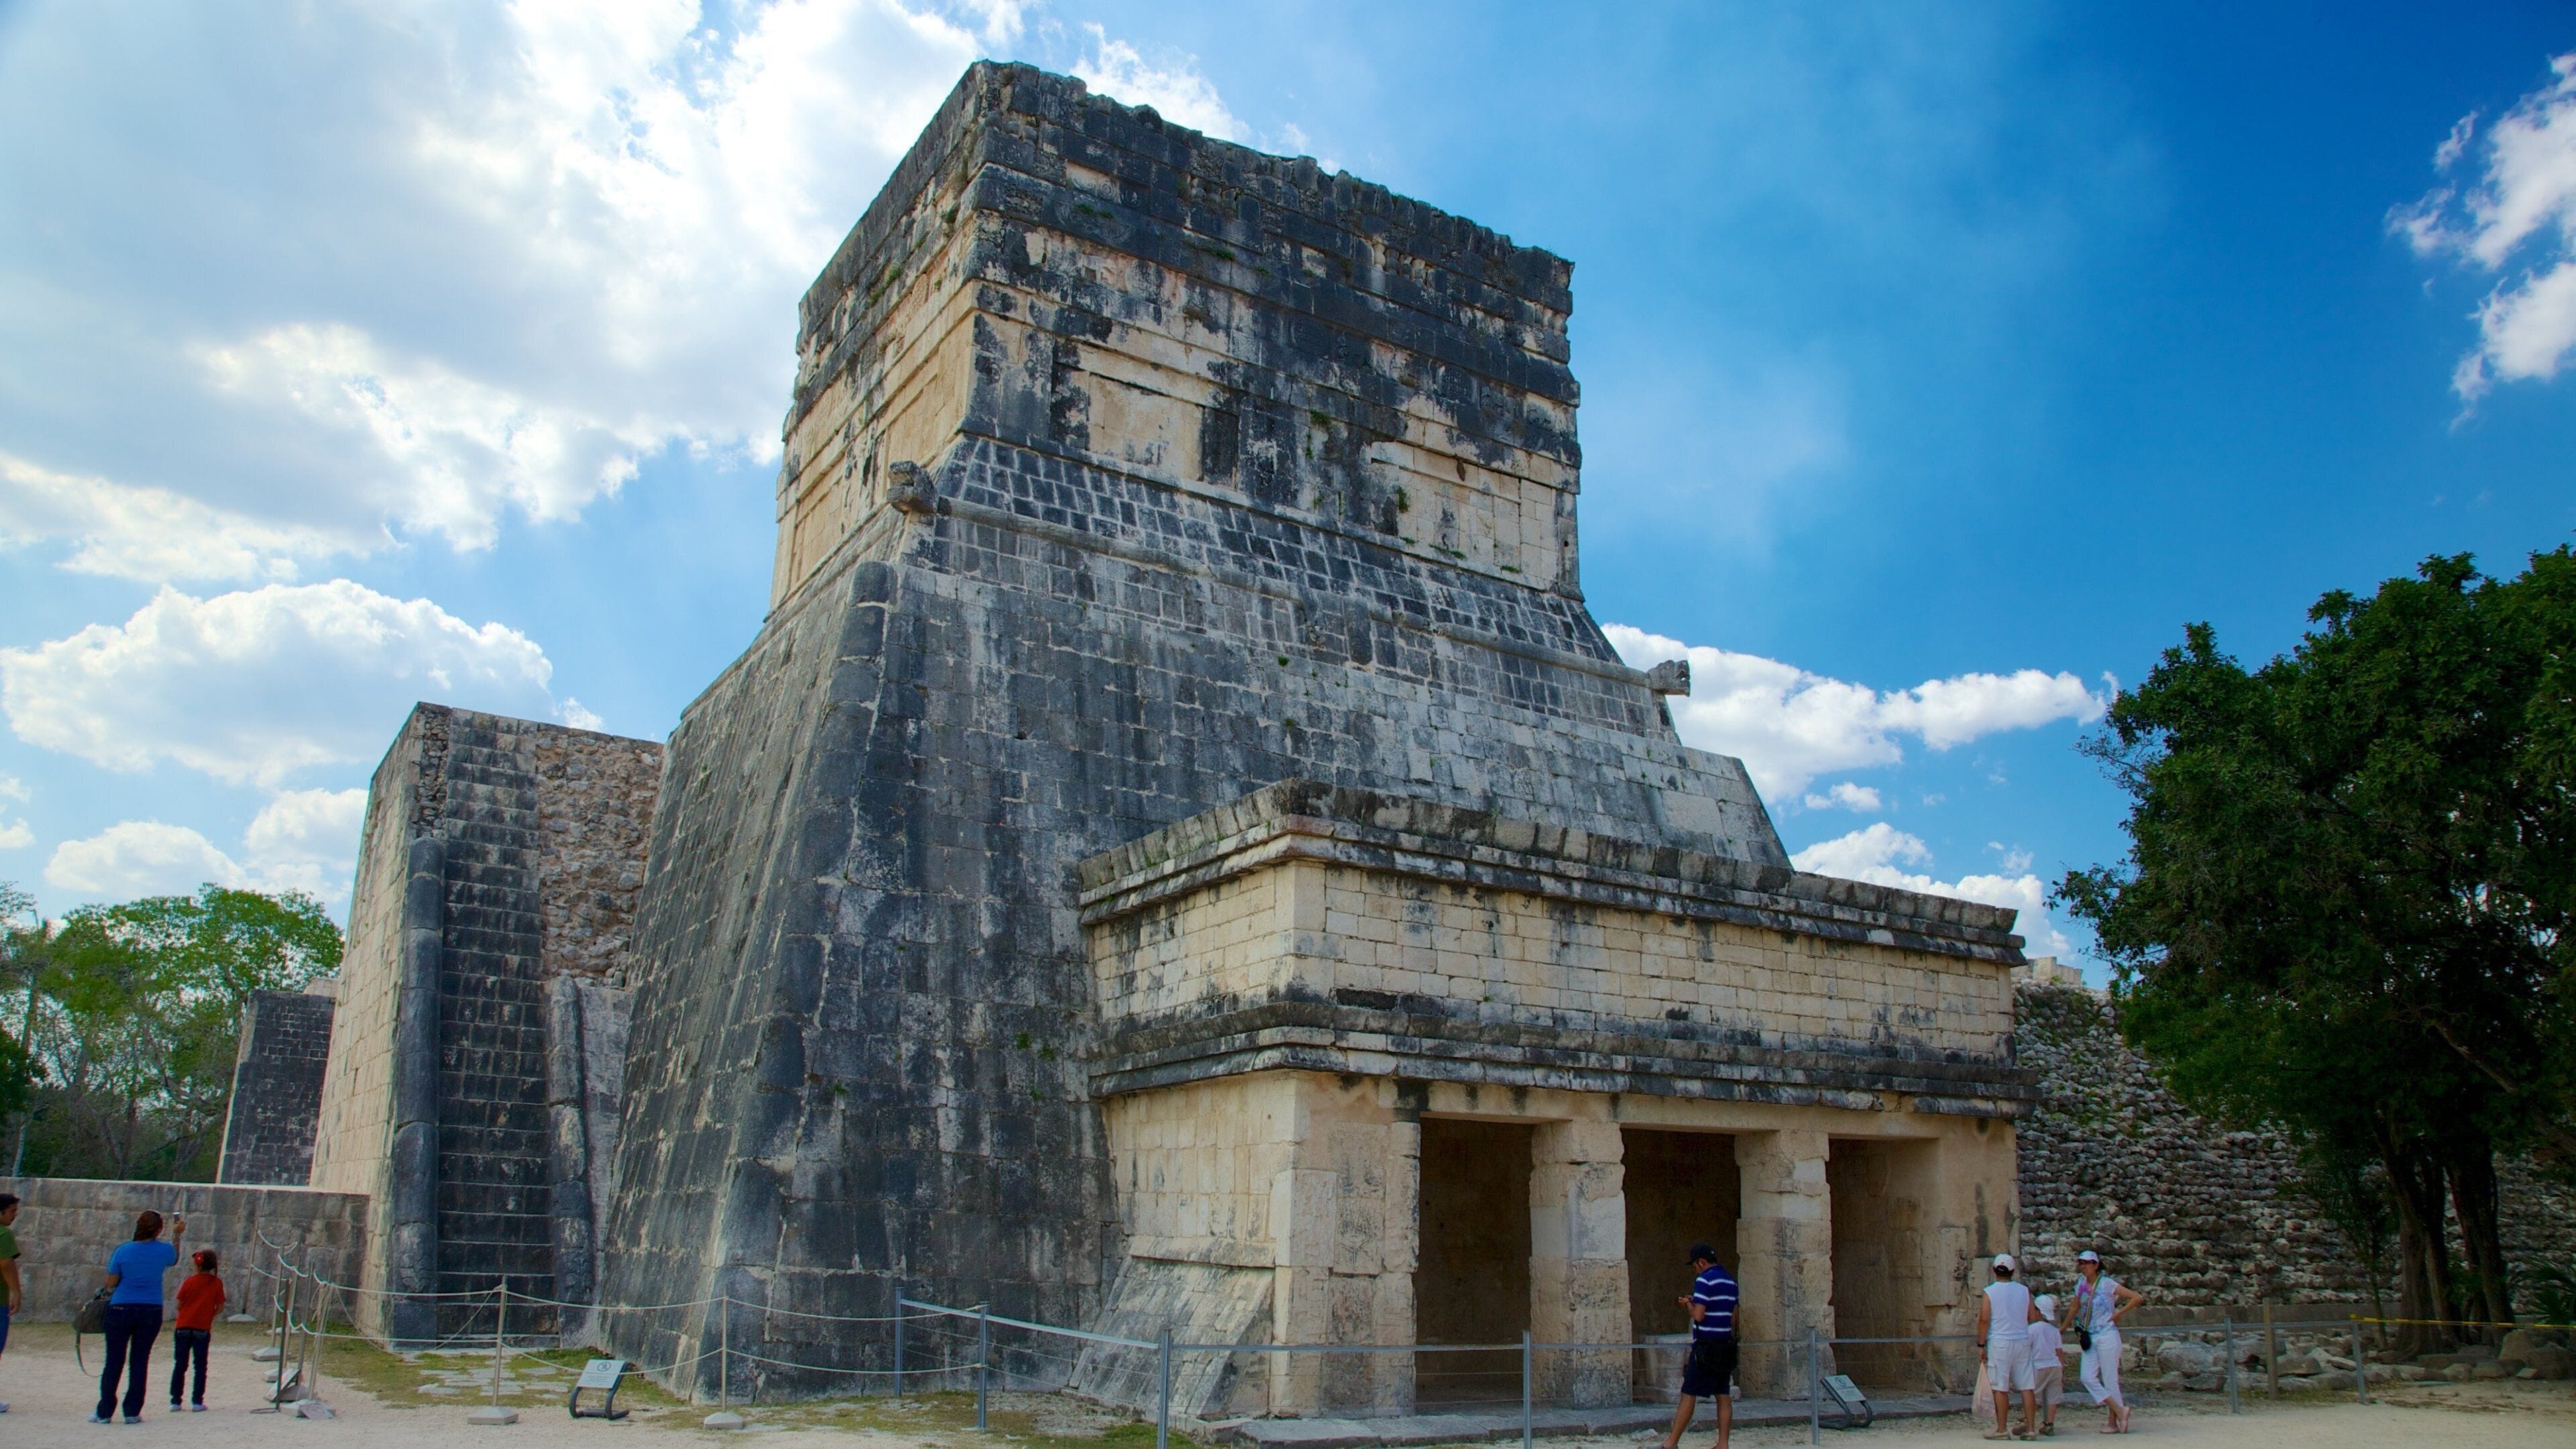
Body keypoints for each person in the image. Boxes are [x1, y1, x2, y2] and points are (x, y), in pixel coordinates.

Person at [93, 1209, 184, 1425]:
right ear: (159, 1230)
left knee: (113, 1361)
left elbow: (111, 1282)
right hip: (151, 1308)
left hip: (121, 1307)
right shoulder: (164, 1250)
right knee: (140, 1361)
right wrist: (177, 1234)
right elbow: (174, 1259)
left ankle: (105, 1412)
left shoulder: (123, 1251)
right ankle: (132, 1411)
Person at [1658, 1243, 1738, 1449]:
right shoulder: (1730, 1280)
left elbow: (1699, 1315)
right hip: (1725, 1345)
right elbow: (1733, 1316)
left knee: (1689, 1393)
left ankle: (1671, 1443)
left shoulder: (1704, 1280)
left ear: (1701, 1262)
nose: (1695, 1270)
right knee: (1723, 1395)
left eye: (1695, 1266)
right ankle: (1723, 1444)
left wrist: (1687, 1304)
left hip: (1706, 1346)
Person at [2065, 1250, 2142, 1435]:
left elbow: (2136, 1297)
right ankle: (2120, 1410)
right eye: (2081, 1263)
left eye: (2087, 1263)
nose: (2083, 1267)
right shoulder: (2081, 1284)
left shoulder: (2107, 1284)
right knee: (2087, 1377)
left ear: (2096, 1265)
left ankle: (2113, 1422)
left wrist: (2118, 1313)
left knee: (2110, 1379)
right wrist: (2063, 1326)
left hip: (2107, 1334)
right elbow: (2075, 1306)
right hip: (2090, 1334)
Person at [1976, 1253, 2041, 1440]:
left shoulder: (1990, 1292)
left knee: (2000, 1387)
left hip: (2000, 1342)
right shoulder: (2024, 1291)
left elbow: (1984, 1320)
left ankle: (2002, 1429)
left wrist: (1981, 1344)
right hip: (2021, 1340)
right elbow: (2033, 1318)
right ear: (2013, 1271)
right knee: (2027, 1386)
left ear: (1994, 1270)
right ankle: (2031, 1429)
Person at [170, 1248, 225, 1412]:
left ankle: (175, 1401)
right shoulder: (216, 1283)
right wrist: (208, 1315)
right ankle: (197, 1401)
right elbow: (220, 1307)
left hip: (183, 1325)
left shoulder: (189, 1281)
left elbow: (179, 1305)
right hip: (202, 1327)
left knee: (180, 1364)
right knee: (200, 1366)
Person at [2027, 1294, 2065, 1437]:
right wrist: (2062, 1368)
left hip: (2039, 1365)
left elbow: (2026, 1348)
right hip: (2055, 1366)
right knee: (2053, 1397)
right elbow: (2059, 1351)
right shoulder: (2054, 1330)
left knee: (2032, 1395)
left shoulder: (2032, 1329)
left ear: (2037, 1312)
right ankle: (2049, 1424)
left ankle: (2027, 1421)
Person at [0, 1192, 20, 1416]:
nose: (14, 1216)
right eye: (12, 1212)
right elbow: (6, 1264)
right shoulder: (4, 1234)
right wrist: (16, 1292)